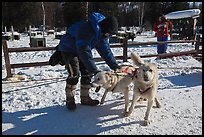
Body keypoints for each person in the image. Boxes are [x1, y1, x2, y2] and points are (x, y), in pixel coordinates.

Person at [49, 12, 121, 111]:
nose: (109, 35)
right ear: (105, 28)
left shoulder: (102, 34)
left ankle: (85, 98)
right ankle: (70, 98)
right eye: (109, 33)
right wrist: (94, 70)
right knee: (74, 73)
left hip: (81, 50)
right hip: (68, 49)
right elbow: (84, 50)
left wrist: (115, 66)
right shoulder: (87, 29)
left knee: (87, 72)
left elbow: (105, 51)